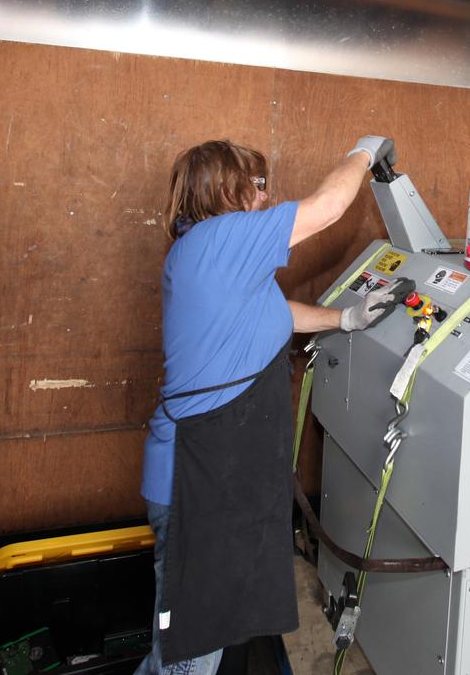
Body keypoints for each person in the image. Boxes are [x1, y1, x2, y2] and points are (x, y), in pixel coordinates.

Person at [134, 135, 413, 675]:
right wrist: (363, 147)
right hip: (200, 481)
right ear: (228, 190)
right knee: (191, 650)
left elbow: (272, 311)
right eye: (259, 185)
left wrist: (345, 319)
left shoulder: (206, 252)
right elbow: (329, 207)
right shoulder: (221, 238)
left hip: (207, 474)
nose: (266, 195)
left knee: (187, 637)